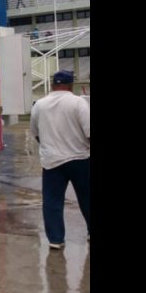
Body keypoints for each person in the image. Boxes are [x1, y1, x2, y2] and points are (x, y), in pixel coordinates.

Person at [30, 70, 90, 249]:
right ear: (71, 85)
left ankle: (56, 239)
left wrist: (50, 147)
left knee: (52, 201)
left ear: (53, 85)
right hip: (80, 159)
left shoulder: (39, 105)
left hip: (52, 162)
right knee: (87, 198)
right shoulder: (78, 102)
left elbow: (35, 133)